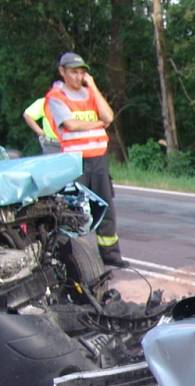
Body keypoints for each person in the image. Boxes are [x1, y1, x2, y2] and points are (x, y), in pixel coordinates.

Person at [44, 52, 127, 268]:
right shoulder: (56, 96)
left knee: (106, 208)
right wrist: (97, 124)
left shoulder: (90, 94)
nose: (78, 76)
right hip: (75, 162)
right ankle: (73, 261)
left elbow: (108, 117)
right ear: (62, 72)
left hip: (99, 160)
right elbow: (70, 125)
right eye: (73, 72)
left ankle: (111, 255)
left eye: (82, 72)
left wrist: (93, 87)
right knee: (75, 211)